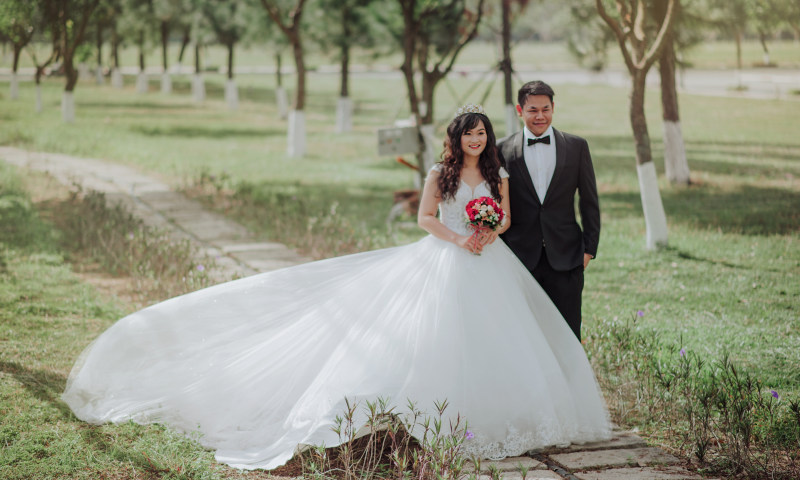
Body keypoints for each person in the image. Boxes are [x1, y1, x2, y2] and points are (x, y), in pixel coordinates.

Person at [62, 105, 610, 471]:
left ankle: (498, 417)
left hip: (487, 262)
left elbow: (509, 219)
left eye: (482, 132)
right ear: (456, 137)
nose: (476, 138)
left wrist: (488, 232)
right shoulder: (439, 174)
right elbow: (422, 219)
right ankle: (413, 420)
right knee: (433, 339)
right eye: (469, 132)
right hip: (444, 258)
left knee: (499, 343)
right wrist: (457, 239)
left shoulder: (498, 175)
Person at [498, 81, 601, 341]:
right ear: (520, 111)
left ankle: (570, 382)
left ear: (553, 108)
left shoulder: (577, 146)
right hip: (520, 258)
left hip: (567, 257)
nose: (540, 116)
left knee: (567, 334)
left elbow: (589, 201)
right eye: (533, 110)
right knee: (524, 335)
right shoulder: (501, 150)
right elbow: (496, 202)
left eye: (546, 109)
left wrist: (588, 250)